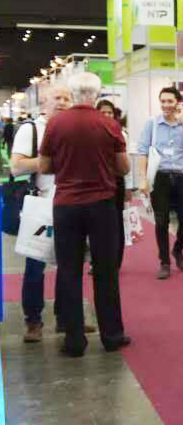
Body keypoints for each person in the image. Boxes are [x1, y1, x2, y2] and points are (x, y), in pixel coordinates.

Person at [38, 72, 131, 357]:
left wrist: (67, 166)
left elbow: (44, 167)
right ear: (97, 94)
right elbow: (124, 168)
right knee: (106, 271)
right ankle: (112, 336)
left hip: (66, 205)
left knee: (69, 271)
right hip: (101, 205)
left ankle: (74, 341)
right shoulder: (110, 125)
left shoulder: (55, 124)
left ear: (73, 94)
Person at [10, 84, 91, 342]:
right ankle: (33, 321)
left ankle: (66, 319)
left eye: (67, 98)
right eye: (57, 97)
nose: (63, 102)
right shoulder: (31, 129)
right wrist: (53, 161)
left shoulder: (77, 129)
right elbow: (16, 167)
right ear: (44, 102)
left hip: (73, 205)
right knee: (35, 267)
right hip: (41, 207)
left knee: (69, 266)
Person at [137, 87, 183, 280]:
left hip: (181, 177)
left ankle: (178, 249)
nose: (165, 105)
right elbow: (142, 151)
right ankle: (164, 261)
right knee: (161, 221)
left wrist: (182, 121)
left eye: (169, 101)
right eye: (162, 101)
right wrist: (143, 178)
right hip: (160, 177)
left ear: (178, 102)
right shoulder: (152, 124)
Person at [97, 99, 133, 269]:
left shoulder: (121, 134)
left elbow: (127, 163)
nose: (106, 115)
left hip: (116, 182)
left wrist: (129, 187)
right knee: (98, 223)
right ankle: (97, 260)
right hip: (96, 183)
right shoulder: (91, 132)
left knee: (116, 221)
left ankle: (116, 261)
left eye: (109, 112)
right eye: (103, 112)